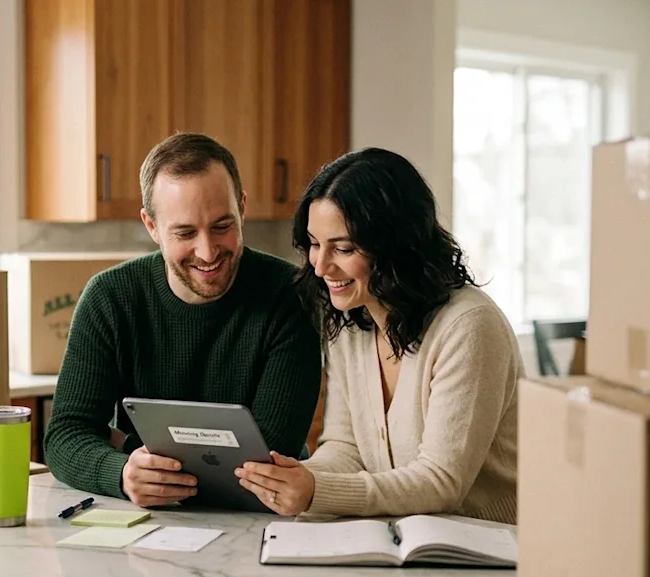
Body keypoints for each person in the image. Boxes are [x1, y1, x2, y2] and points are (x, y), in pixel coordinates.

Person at [234, 147, 523, 524]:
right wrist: (300, 478)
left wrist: (316, 492)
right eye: (315, 244)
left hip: (488, 551)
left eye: (343, 248)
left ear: (396, 247)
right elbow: (345, 446)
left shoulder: (468, 326)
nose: (320, 266)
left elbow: (442, 481)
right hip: (403, 541)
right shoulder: (352, 320)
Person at [43, 132, 323, 508]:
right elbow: (65, 436)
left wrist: (125, 445)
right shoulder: (110, 298)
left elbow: (267, 458)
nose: (207, 251)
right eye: (185, 232)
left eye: (222, 226)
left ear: (242, 207)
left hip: (264, 518)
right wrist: (123, 474)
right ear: (151, 226)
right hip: (149, 519)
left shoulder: (290, 295)